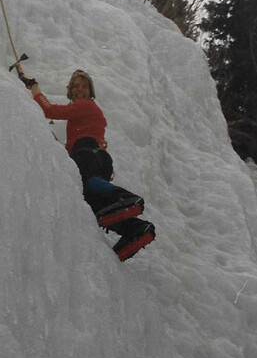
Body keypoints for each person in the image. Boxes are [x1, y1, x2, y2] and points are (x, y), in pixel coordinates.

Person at [19, 69, 155, 253]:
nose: (80, 89)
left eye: (84, 86)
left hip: (88, 154)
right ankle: (136, 229)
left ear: (90, 92)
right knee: (94, 205)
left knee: (87, 182)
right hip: (96, 159)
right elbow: (74, 144)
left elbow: (50, 110)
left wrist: (34, 87)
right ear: (70, 91)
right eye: (75, 86)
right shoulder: (87, 114)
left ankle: (126, 198)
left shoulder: (86, 106)